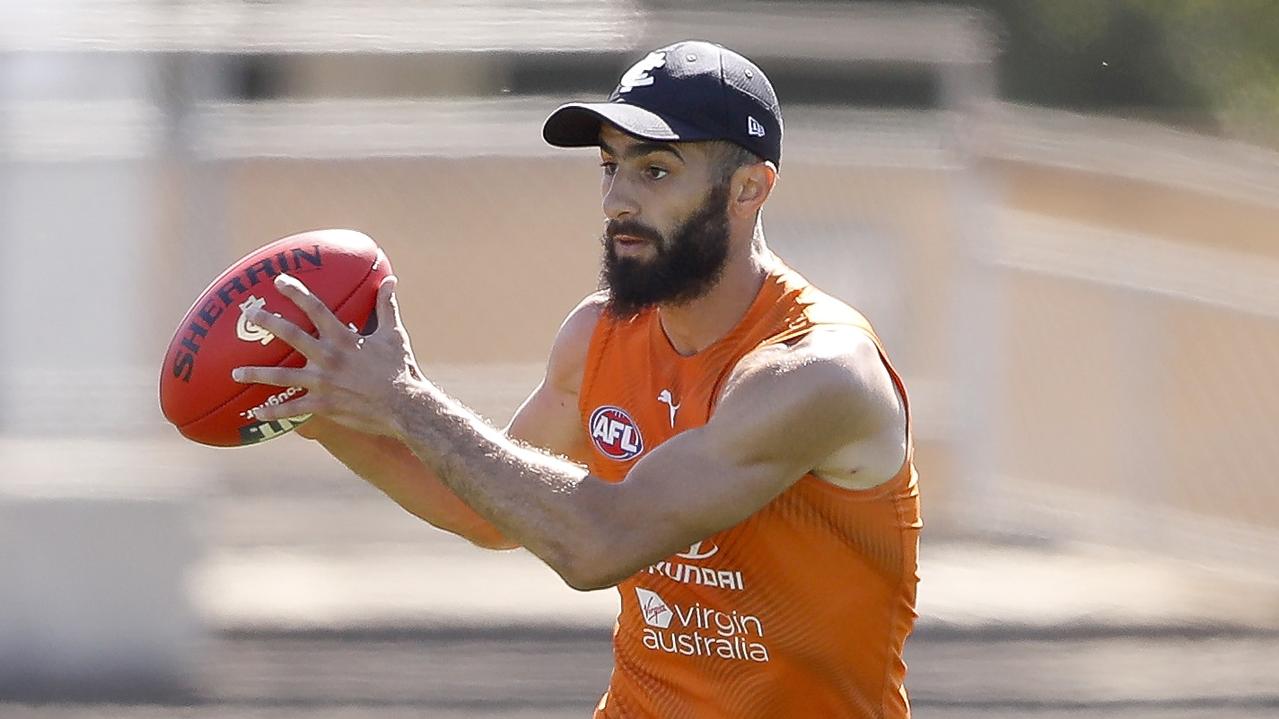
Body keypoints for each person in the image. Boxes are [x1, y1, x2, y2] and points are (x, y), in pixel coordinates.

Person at [233, 40, 921, 719]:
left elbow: (597, 542)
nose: (616, 199)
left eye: (654, 171)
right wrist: (316, 400)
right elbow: (488, 507)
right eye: (609, 165)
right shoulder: (598, 335)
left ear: (747, 189)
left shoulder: (820, 372)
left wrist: (403, 398)